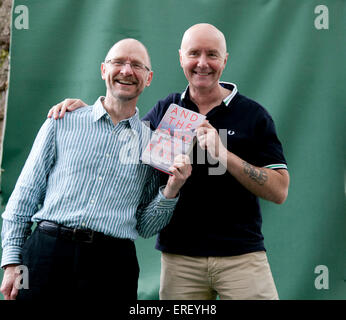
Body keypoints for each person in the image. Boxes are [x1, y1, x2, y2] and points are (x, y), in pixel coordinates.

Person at [46, 23, 290, 300]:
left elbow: (279, 190)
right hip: (179, 261)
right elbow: (122, 138)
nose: (202, 63)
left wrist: (224, 155)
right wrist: (88, 110)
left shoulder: (254, 115)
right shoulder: (166, 109)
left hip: (242, 256)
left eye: (212, 54)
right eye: (193, 54)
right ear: (181, 58)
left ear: (225, 60)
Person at [0, 38, 192, 301]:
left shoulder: (153, 145)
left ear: (148, 78)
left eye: (137, 65)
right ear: (104, 70)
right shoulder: (62, 121)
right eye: (118, 62)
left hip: (112, 267)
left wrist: (171, 190)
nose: (127, 70)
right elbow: (25, 195)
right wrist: (12, 263)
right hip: (46, 255)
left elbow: (146, 227)